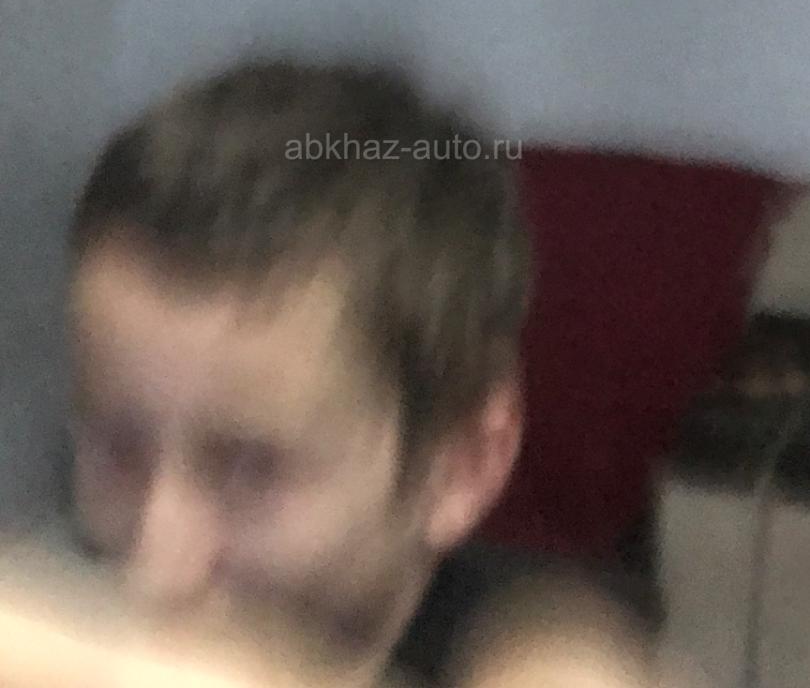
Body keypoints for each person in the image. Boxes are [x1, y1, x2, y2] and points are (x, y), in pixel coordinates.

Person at [52, 57, 648, 686]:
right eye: (117, 452)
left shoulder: (532, 652)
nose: (155, 569)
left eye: (251, 471)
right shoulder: (58, 582)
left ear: (463, 464)